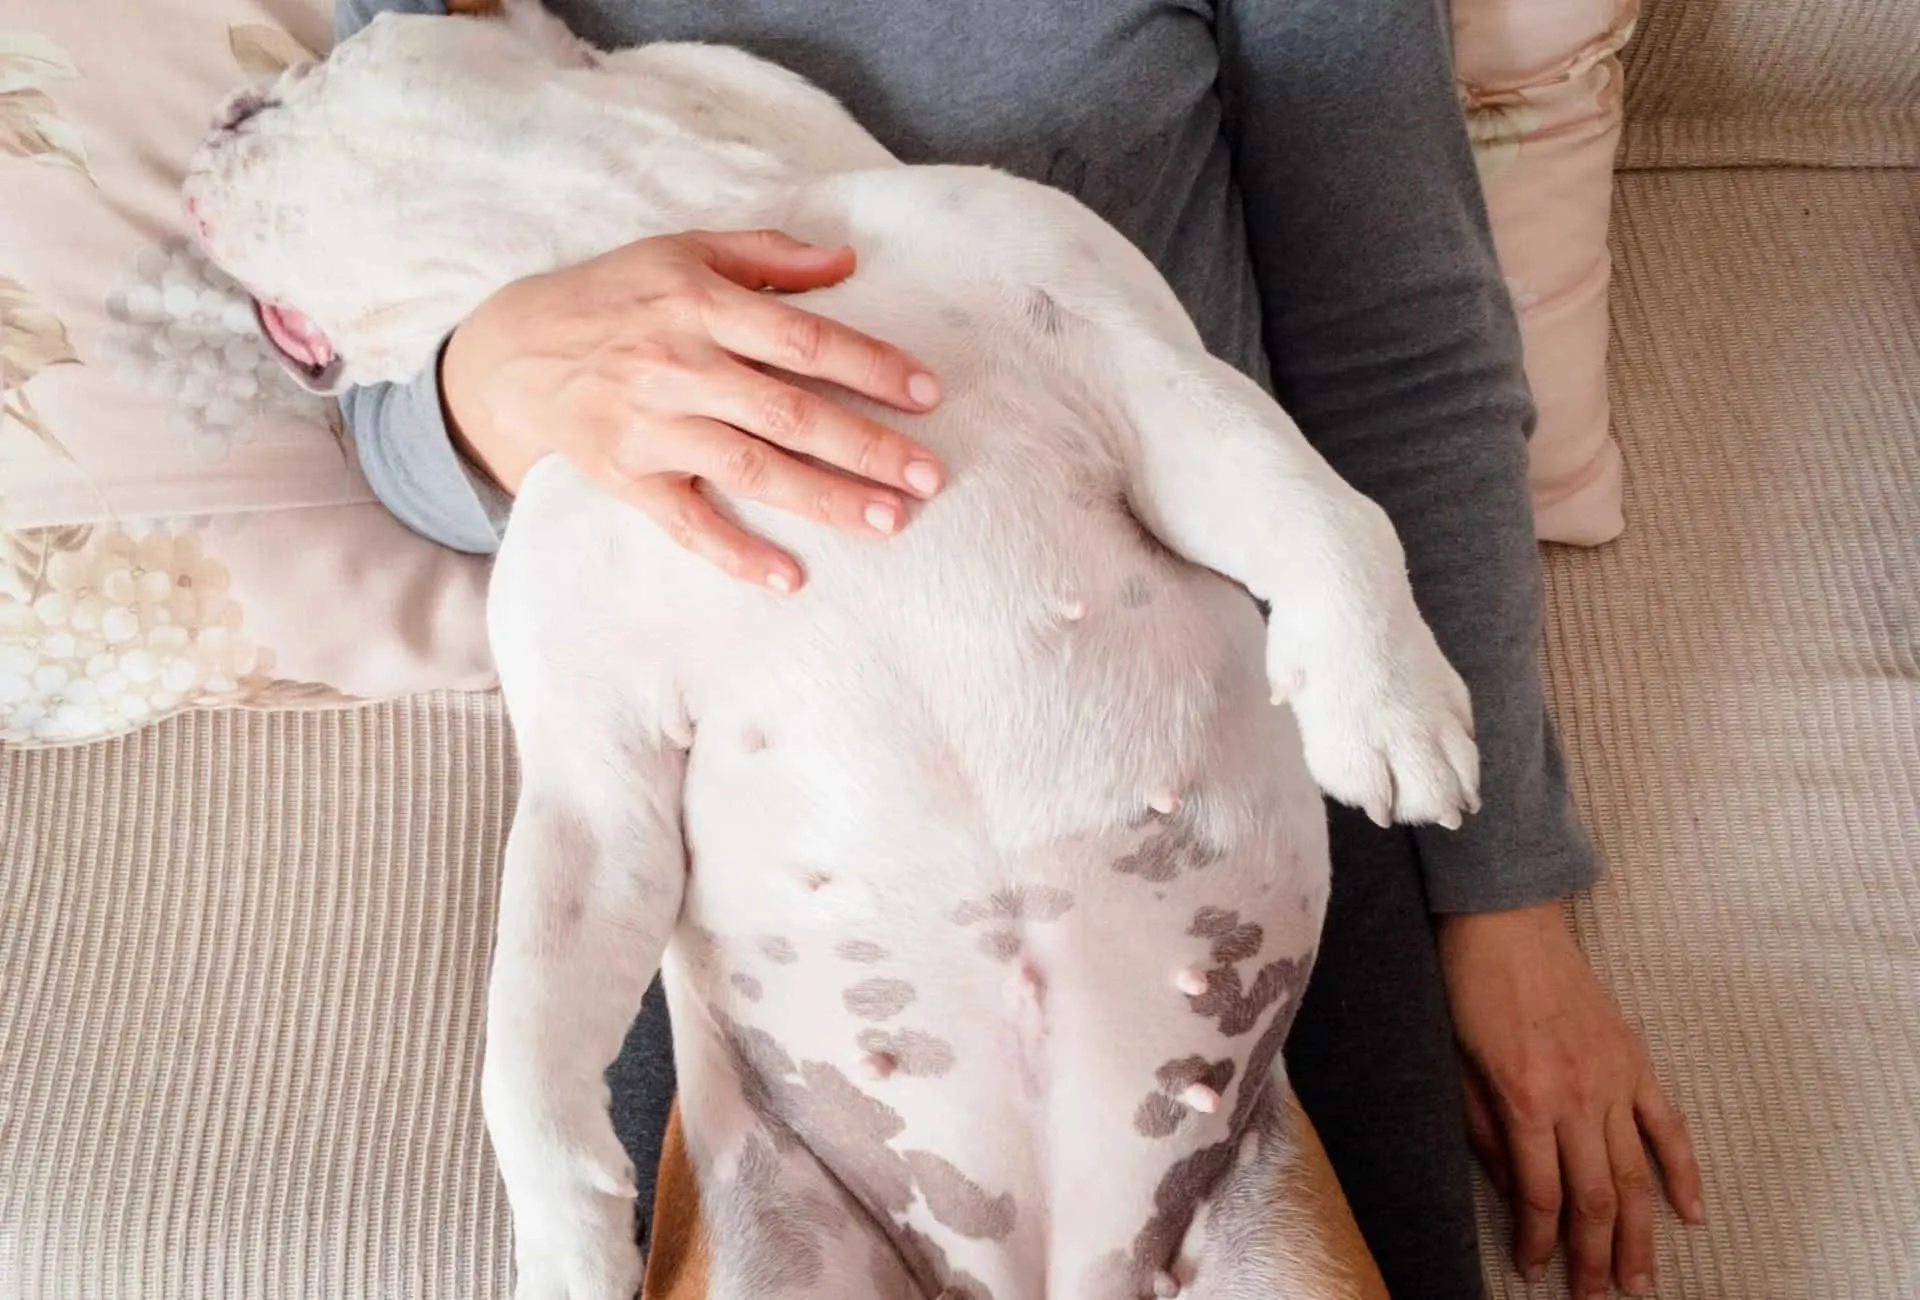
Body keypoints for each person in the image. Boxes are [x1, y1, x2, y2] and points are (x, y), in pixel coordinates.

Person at [334, 1, 1705, 1295]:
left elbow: (1395, 341)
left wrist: (1501, 892)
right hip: (763, 847)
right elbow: (382, 392)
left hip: (1191, 752)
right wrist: (492, 373)